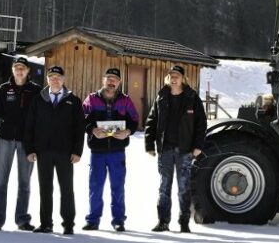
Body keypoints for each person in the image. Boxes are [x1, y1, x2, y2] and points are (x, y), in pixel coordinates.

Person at [23, 65, 85, 235]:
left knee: (66, 189)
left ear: (63, 79)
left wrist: (77, 151)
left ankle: (68, 223)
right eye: (51, 77)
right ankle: (46, 223)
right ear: (47, 79)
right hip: (43, 152)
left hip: (65, 153)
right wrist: (30, 149)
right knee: (45, 188)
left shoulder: (73, 101)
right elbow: (29, 126)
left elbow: (79, 129)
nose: (55, 79)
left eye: (58, 77)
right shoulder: (38, 100)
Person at [145, 65, 207, 233]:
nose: (174, 79)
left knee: (183, 187)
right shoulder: (162, 96)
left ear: (183, 78)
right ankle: (163, 221)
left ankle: (184, 222)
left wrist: (197, 146)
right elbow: (151, 121)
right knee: (164, 187)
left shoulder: (192, 97)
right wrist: (149, 144)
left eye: (177, 76)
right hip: (165, 149)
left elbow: (201, 124)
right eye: (171, 76)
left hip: (185, 150)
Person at [81, 67, 139, 232]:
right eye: (109, 78)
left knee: (118, 187)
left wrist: (128, 131)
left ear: (119, 82)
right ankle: (93, 220)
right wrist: (92, 129)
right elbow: (82, 118)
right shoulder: (91, 99)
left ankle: (119, 220)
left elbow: (134, 119)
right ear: (103, 80)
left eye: (115, 79)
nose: (111, 81)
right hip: (97, 153)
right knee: (95, 187)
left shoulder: (125, 100)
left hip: (117, 152)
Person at [0, 57, 41, 232]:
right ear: (13, 70)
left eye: (23, 68)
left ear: (28, 71)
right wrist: (3, 129)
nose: (19, 71)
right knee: (0, 182)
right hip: (5, 140)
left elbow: (38, 116)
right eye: (17, 68)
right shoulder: (4, 89)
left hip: (27, 143)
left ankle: (22, 219)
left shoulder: (35, 90)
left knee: (25, 183)